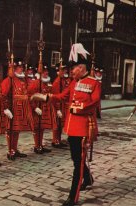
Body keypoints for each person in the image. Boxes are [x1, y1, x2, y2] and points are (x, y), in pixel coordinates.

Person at [31, 43, 100, 206]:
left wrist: (80, 107)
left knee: (78, 162)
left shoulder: (93, 83)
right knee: (76, 157)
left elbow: (95, 102)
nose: (71, 72)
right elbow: (62, 96)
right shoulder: (73, 83)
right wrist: (45, 97)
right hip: (71, 126)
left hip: (84, 126)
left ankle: (73, 197)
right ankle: (88, 177)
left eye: (73, 69)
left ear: (81, 68)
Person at [1, 58, 34, 160]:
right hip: (12, 108)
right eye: (19, 67)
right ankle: (10, 150)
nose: (21, 69)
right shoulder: (8, 80)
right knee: (10, 130)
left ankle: (15, 149)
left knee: (16, 130)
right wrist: (6, 108)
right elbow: (3, 95)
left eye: (22, 67)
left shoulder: (23, 80)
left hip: (21, 108)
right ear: (14, 68)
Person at [28, 64, 56, 154]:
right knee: (37, 128)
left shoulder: (46, 83)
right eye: (44, 72)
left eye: (47, 71)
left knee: (42, 128)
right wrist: (35, 107)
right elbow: (30, 96)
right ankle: (37, 146)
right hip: (37, 108)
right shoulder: (35, 83)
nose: (46, 73)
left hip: (44, 108)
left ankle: (40, 145)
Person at [51, 63, 71, 148]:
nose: (65, 71)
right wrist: (58, 109)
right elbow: (56, 97)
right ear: (58, 71)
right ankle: (55, 140)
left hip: (63, 105)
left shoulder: (64, 81)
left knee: (60, 124)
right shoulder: (57, 82)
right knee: (57, 124)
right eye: (62, 70)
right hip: (58, 105)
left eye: (65, 70)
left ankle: (58, 139)